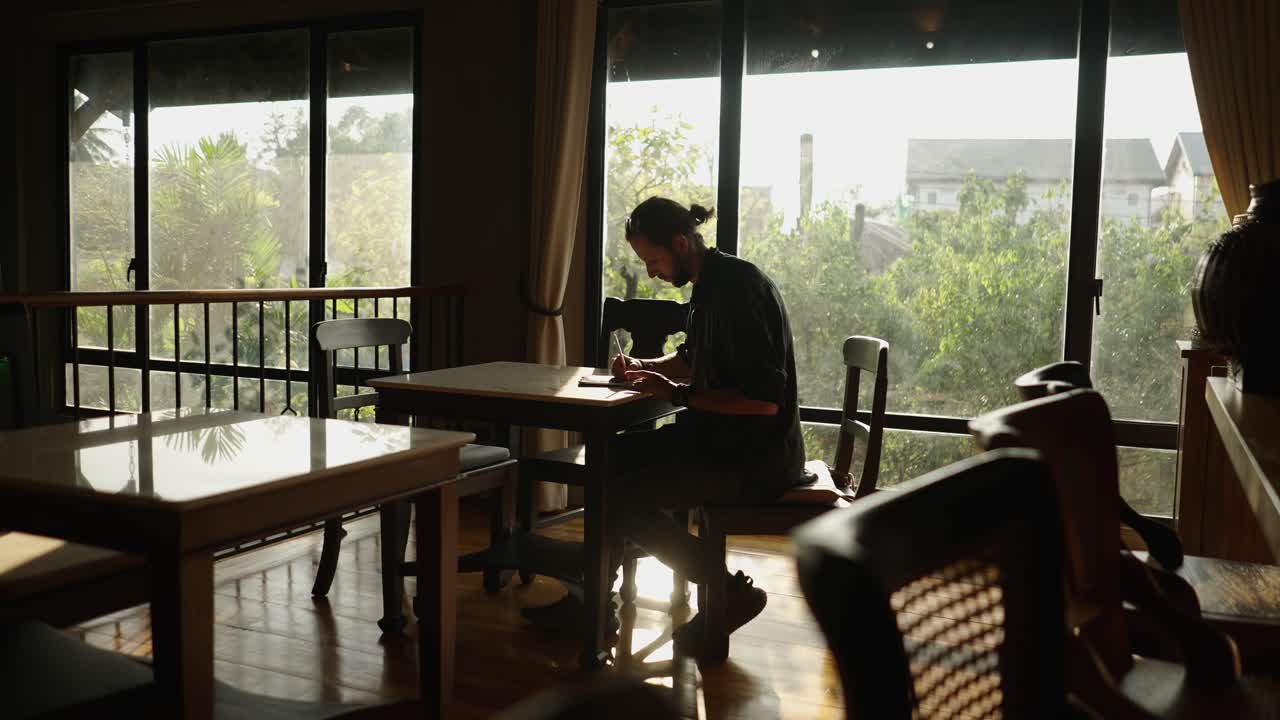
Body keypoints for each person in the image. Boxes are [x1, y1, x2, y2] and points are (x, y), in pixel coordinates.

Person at [608, 196, 806, 658]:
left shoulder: (740, 289)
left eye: (652, 260)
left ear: (680, 243)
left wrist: (673, 394)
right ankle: (590, 600)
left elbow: (762, 402)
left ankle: (726, 590)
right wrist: (642, 368)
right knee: (610, 460)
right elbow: (691, 360)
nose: (652, 272)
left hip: (755, 457)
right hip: (720, 441)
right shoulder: (710, 285)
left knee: (619, 495)